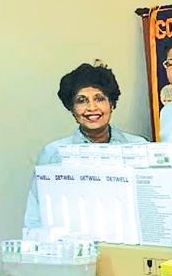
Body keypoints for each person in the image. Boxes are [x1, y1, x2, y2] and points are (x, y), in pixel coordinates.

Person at [23, 62, 146, 228]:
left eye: (99, 99)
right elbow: (36, 213)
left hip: (129, 243)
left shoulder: (138, 147)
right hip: (75, 246)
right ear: (72, 110)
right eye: (82, 101)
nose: (92, 108)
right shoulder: (54, 154)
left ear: (112, 104)